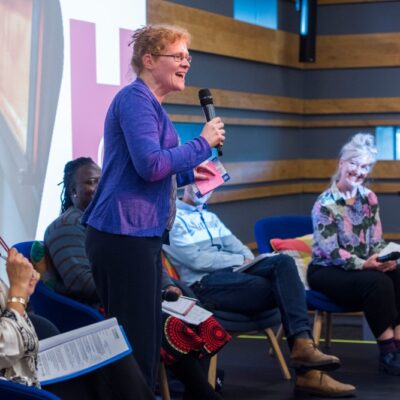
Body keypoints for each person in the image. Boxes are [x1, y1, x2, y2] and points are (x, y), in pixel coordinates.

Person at [81, 24, 225, 389]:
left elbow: (154, 172)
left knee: (143, 342)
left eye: (188, 56)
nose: (186, 63)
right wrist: (202, 144)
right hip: (121, 233)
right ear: (148, 59)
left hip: (138, 234)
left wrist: (195, 173)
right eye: (177, 56)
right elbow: (151, 165)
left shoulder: (152, 106)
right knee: (136, 345)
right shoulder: (134, 99)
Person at [45, 157, 230, 400]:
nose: (100, 187)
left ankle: (194, 389)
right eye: (91, 182)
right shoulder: (65, 226)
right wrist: (141, 288)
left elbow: (145, 260)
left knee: (196, 313)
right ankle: (201, 392)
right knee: (165, 323)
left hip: (133, 296)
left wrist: (166, 285)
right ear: (73, 191)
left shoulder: (110, 219)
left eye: (103, 181)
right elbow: (80, 281)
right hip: (96, 310)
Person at [163, 185, 356, 397]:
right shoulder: (172, 217)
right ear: (187, 183)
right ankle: (307, 369)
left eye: (211, 184)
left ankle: (304, 349)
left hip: (238, 276)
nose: (204, 189)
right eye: (200, 182)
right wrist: (239, 260)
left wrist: (242, 260)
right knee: (287, 287)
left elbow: (242, 248)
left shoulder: (211, 217)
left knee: (283, 262)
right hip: (206, 285)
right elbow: (196, 260)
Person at [0, 247, 154, 400]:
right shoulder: (70, 229)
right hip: (15, 384)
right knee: (113, 372)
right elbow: (6, 348)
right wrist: (18, 291)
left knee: (115, 355)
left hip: (28, 360)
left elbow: (11, 311)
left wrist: (23, 292)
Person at [309, 133, 400, 376]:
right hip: (327, 269)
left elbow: (376, 242)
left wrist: (386, 258)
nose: (359, 171)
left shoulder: (369, 198)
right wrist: (366, 265)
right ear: (342, 162)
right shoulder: (325, 203)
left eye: (365, 167)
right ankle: (388, 353)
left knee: (397, 271)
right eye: (355, 163)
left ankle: (399, 346)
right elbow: (331, 251)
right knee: (378, 283)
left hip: (363, 265)